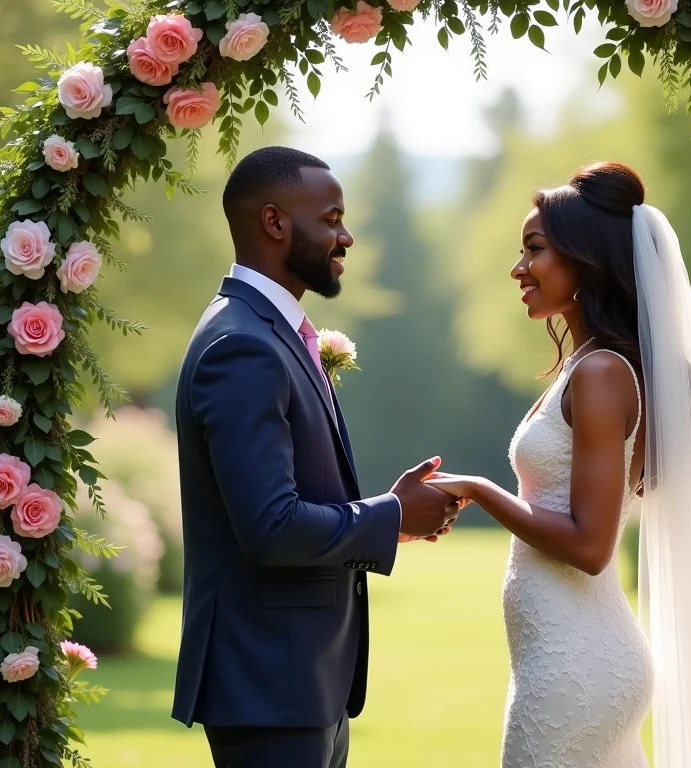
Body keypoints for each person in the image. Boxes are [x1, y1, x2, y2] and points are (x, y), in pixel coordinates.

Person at [427, 162, 691, 767]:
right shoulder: (587, 368)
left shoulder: (602, 374)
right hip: (567, 658)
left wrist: (479, 490)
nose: (518, 267)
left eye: (535, 249)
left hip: (575, 667)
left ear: (586, 259)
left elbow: (590, 545)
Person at [170, 146, 460, 768]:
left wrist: (388, 514)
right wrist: (389, 515)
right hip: (269, 685)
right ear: (275, 223)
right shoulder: (242, 348)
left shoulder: (269, 333)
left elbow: (292, 496)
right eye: (331, 218)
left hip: (302, 686)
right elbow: (271, 528)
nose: (346, 236)